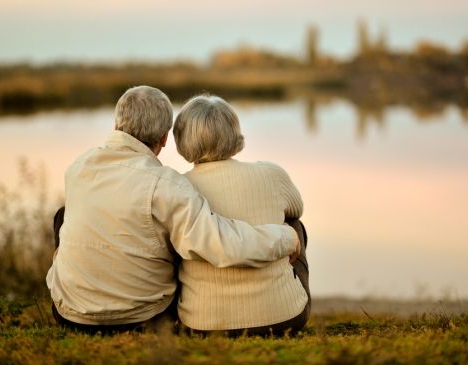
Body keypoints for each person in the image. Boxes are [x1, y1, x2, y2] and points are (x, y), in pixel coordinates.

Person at [46, 86, 300, 334]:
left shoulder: (78, 167)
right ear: (165, 138)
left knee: (63, 215)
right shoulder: (165, 184)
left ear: (116, 126)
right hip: (143, 317)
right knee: (177, 234)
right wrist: (287, 236)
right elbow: (219, 243)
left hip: (70, 315)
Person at [173, 95, 310, 336]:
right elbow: (296, 209)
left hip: (202, 324)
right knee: (294, 224)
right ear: (234, 133)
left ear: (181, 139)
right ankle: (280, 294)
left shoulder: (177, 188)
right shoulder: (271, 174)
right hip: (283, 319)